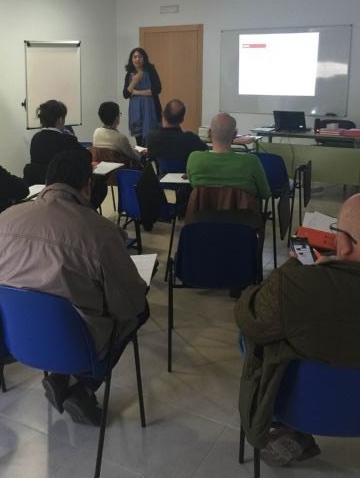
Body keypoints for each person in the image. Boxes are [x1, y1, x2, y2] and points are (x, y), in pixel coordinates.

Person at [0, 150, 149, 425]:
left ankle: (62, 378)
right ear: (87, 186)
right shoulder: (100, 232)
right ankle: (82, 386)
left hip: (17, 339)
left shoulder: (5, 220)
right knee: (138, 312)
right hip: (78, 345)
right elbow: (130, 303)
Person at [235, 193, 360, 466]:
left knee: (260, 337)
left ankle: (293, 432)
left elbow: (248, 317)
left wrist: (297, 267)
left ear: (345, 245)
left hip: (300, 408)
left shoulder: (295, 286)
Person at [25, 99, 107, 208]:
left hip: (41, 188)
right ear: (60, 120)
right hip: (65, 187)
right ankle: (86, 213)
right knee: (100, 183)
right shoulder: (66, 139)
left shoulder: (36, 139)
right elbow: (87, 157)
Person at [187, 113, 270, 200]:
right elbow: (265, 194)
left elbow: (193, 186)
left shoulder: (194, 159)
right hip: (242, 209)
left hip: (203, 209)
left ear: (209, 133)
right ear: (235, 135)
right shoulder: (251, 162)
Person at [146, 99, 208, 164]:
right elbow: (205, 151)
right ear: (182, 120)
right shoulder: (191, 140)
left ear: (163, 114)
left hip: (161, 171)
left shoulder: (152, 138)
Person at [123, 47, 162, 146]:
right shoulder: (129, 74)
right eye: (135, 57)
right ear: (131, 59)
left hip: (152, 111)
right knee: (139, 143)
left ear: (144, 58)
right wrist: (134, 81)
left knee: (153, 141)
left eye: (140, 57)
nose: (137, 59)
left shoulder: (151, 71)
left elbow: (157, 89)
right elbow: (126, 94)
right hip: (136, 112)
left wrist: (136, 92)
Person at [93, 101, 141, 165]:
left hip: (100, 169)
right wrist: (140, 153)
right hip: (119, 170)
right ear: (116, 118)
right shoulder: (121, 138)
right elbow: (135, 156)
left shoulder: (96, 132)